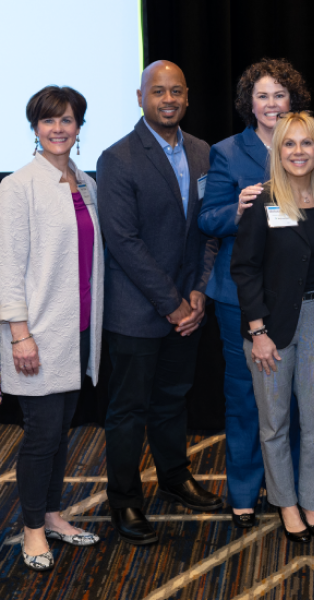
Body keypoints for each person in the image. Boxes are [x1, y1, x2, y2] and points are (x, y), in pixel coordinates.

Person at [97, 60, 222, 546]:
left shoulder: (203, 152)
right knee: (128, 411)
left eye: (176, 92)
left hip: (186, 307)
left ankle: (174, 477)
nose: (167, 99)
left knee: (172, 401)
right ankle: (124, 499)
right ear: (140, 97)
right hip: (137, 311)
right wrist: (173, 303)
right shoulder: (119, 157)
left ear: (187, 97)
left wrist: (197, 291)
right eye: (158, 92)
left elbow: (208, 229)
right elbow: (123, 242)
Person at [198, 58, 311, 528]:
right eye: (261, 95)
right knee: (245, 395)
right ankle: (244, 490)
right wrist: (238, 209)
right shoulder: (226, 152)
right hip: (238, 297)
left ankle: (296, 491)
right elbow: (207, 218)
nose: (270, 104)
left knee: (298, 399)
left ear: (292, 101)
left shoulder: (309, 146)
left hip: (299, 293)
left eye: (279, 95)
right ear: (249, 103)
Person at [0, 86, 104, 571]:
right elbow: (7, 266)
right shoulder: (18, 185)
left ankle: (55, 514)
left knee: (62, 431)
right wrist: (19, 333)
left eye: (67, 120)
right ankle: (33, 528)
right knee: (41, 435)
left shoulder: (84, 183)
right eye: (48, 121)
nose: (59, 128)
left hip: (77, 330)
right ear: (35, 128)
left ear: (79, 128)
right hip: (36, 335)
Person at [230, 112, 314, 543]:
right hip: (269, 326)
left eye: (306, 143)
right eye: (289, 144)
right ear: (278, 151)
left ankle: (310, 500)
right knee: (274, 423)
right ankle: (284, 502)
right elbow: (244, 269)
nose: (297, 152)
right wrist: (258, 331)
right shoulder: (263, 201)